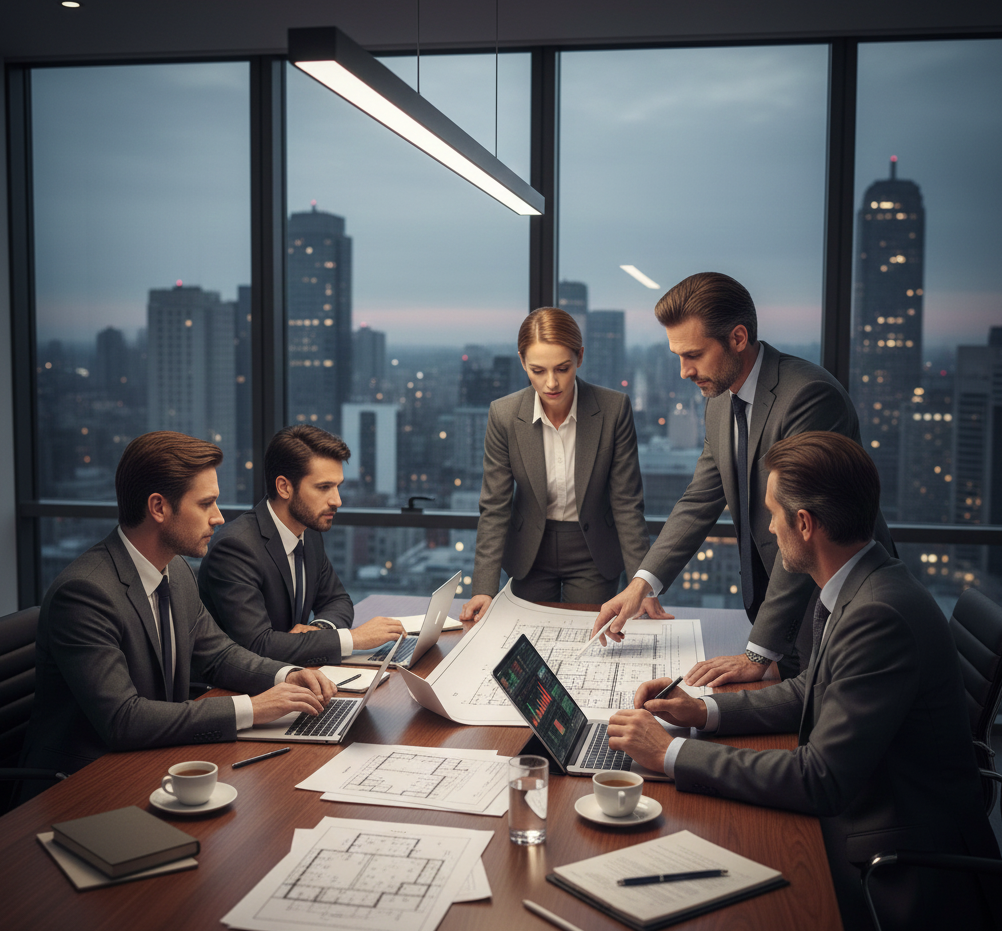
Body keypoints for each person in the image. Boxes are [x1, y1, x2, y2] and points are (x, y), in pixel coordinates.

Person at [607, 432, 1001, 930]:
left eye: (773, 514)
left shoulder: (878, 614)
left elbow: (820, 781)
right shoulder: (860, 583)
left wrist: (670, 754)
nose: (769, 528)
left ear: (805, 524)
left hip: (899, 864)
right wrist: (703, 711)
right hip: (873, 808)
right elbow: (810, 688)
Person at [593, 271, 893, 683]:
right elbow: (699, 500)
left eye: (694, 354)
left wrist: (756, 653)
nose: (684, 371)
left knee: (817, 733)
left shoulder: (809, 397)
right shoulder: (720, 403)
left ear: (737, 337)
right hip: (782, 617)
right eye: (678, 356)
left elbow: (806, 530)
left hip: (833, 609)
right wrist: (641, 584)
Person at [18, 432, 335, 799]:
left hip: (154, 761)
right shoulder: (85, 594)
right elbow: (124, 719)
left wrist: (289, 675)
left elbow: (219, 655)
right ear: (158, 507)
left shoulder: (177, 571)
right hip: (80, 785)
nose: (219, 518)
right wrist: (252, 708)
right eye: (206, 504)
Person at [460, 307, 662, 621]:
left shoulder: (613, 409)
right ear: (522, 362)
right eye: (538, 370)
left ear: (580, 357)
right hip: (530, 552)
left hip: (593, 551)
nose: (551, 383)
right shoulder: (503, 415)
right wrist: (483, 588)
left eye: (562, 368)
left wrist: (642, 586)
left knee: (590, 640)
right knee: (527, 643)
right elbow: (495, 506)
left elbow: (627, 504)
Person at [198, 425, 405, 666]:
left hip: (295, 675)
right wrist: (352, 638)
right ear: (284, 487)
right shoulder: (235, 547)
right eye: (324, 487)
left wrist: (318, 629)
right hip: (234, 691)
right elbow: (258, 645)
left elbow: (337, 600)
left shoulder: (308, 532)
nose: (337, 500)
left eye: (338, 486)